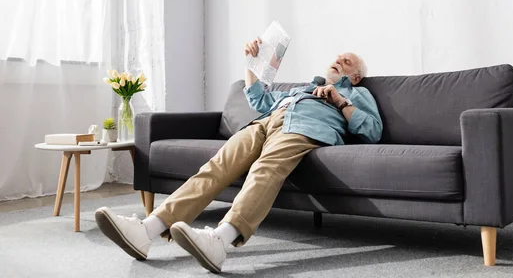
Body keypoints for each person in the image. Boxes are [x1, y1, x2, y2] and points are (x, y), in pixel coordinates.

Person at [95, 37, 383, 273]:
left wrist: (340, 100)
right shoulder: (302, 88)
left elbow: (372, 131)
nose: (338, 61)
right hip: (264, 124)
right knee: (217, 165)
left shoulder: (358, 94)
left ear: (355, 76)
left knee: (265, 169)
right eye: (338, 57)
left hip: (305, 129)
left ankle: (220, 240)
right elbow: (259, 99)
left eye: (347, 62)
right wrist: (251, 64)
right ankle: (147, 230)